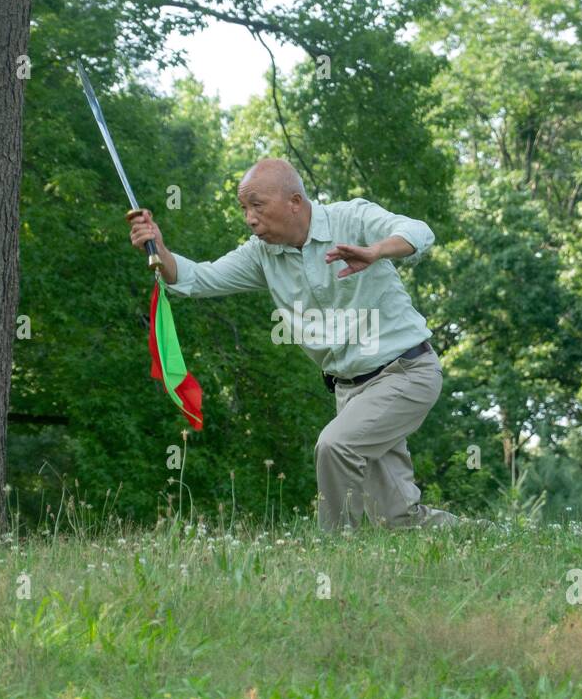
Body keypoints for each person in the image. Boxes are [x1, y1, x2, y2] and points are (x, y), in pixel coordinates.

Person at [126, 158, 458, 531]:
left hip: (407, 372)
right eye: (244, 209)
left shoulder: (351, 218)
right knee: (398, 520)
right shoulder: (261, 254)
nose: (250, 218)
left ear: (295, 202)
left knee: (335, 446)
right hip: (351, 392)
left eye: (258, 206)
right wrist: (159, 248)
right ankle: (493, 535)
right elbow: (198, 279)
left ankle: (335, 553)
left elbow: (418, 231)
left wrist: (377, 250)